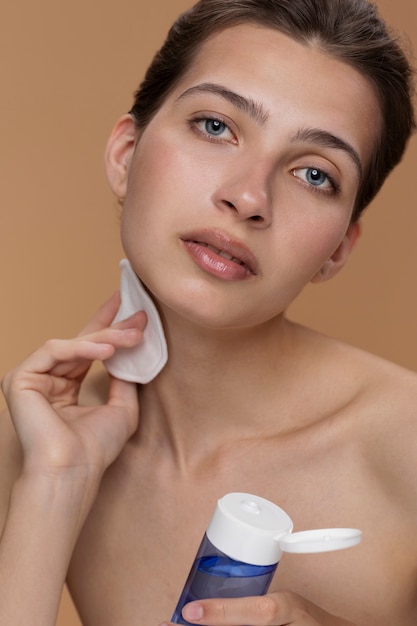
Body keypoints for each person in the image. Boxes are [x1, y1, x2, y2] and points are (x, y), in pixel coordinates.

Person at [0, 0, 416, 624]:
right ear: (125, 154)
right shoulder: (37, 442)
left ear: (337, 251)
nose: (248, 196)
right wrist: (55, 486)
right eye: (216, 127)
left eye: (313, 173)